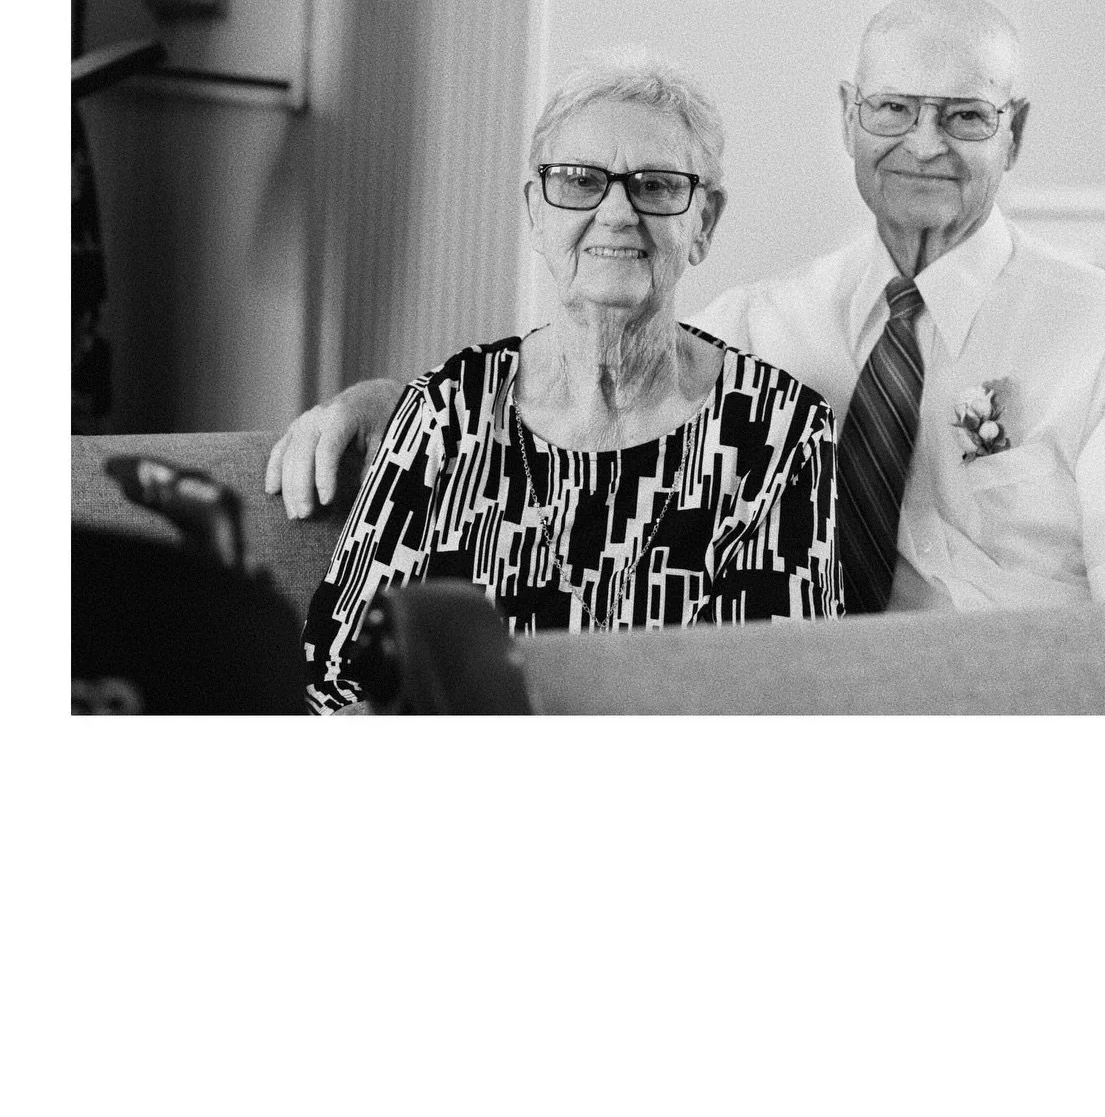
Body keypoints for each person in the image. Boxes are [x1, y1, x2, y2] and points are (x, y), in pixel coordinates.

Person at [273, 0, 1105, 619]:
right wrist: (370, 408)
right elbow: (588, 372)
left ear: (1016, 132)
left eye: (965, 115)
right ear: (848, 115)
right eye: (893, 109)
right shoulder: (770, 325)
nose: (923, 144)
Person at [299, 52, 839, 713]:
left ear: (703, 222)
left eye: (657, 185)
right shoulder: (449, 410)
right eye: (579, 181)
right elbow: (334, 672)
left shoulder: (778, 434)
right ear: (536, 211)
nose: (616, 212)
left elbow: (777, 698)